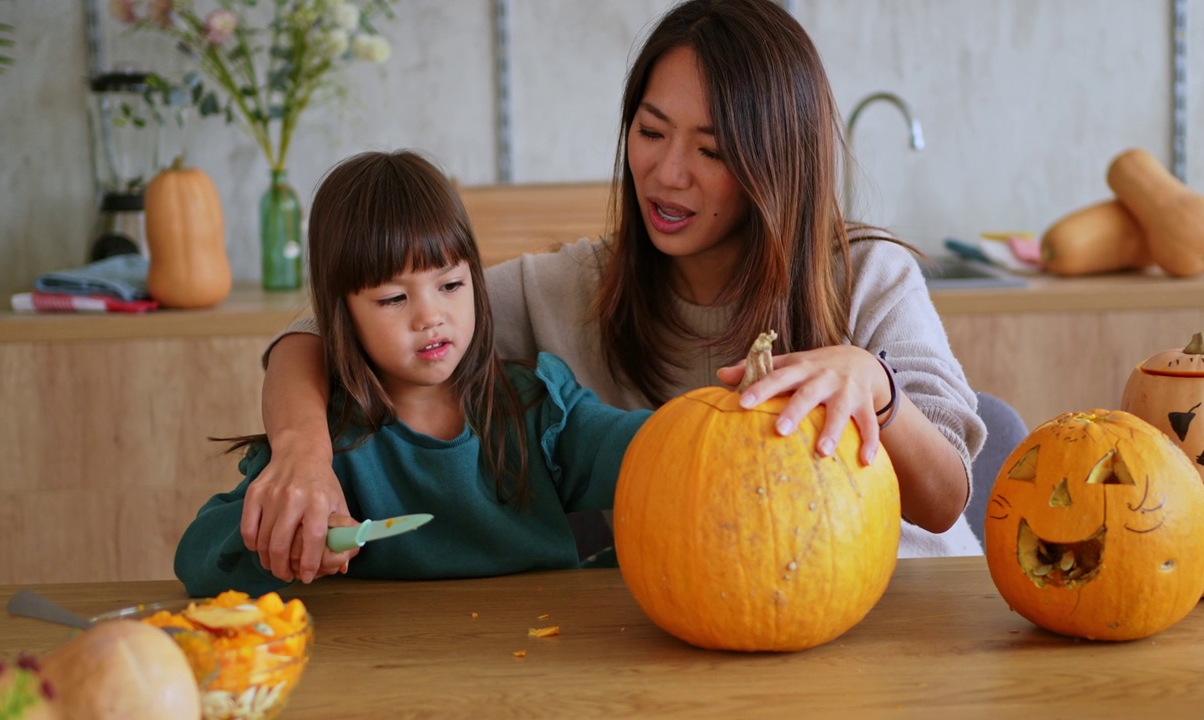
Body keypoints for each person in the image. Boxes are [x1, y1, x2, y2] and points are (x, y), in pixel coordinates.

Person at [250, 0, 988, 584]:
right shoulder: (570, 288)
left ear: (779, 161)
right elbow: (321, 331)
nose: (667, 174)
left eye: (711, 150)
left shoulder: (866, 275)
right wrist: (302, 456)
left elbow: (947, 495)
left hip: (900, 611)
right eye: (650, 131)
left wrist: (877, 385)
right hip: (681, 634)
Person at [174, 150, 651, 597]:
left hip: (538, 663)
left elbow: (652, 448)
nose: (430, 316)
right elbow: (196, 557)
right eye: (393, 299)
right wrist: (287, 540)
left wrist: (714, 414)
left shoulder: (541, 408)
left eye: (450, 284)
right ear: (341, 315)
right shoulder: (328, 442)